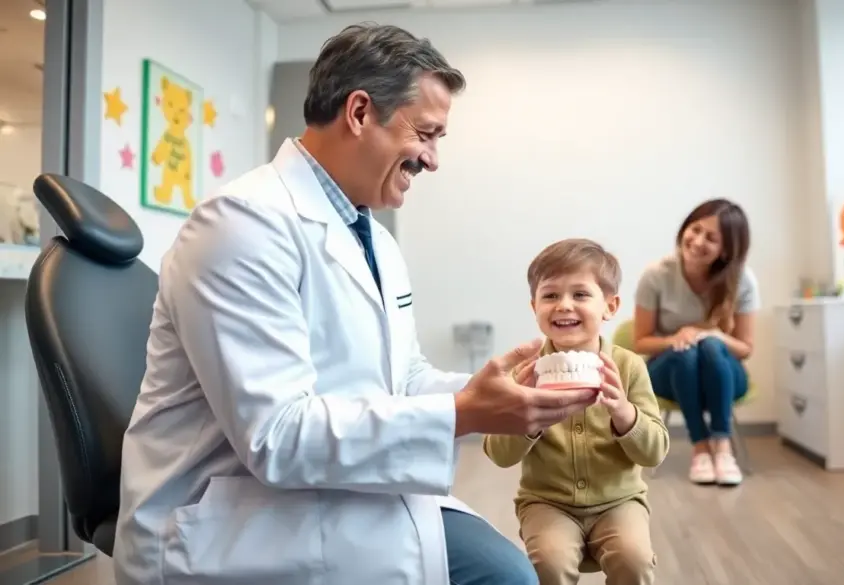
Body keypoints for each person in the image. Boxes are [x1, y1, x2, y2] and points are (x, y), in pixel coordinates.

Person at [112, 23, 600, 585]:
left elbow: (403, 375)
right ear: (361, 112)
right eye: (427, 133)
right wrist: (465, 412)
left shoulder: (372, 237)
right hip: (232, 519)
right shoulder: (241, 225)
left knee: (505, 567)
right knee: (506, 577)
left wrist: (498, 391)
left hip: (324, 497)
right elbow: (278, 435)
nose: (434, 159)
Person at [483, 239, 669, 585]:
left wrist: (624, 413)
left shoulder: (628, 368)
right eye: (550, 295)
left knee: (635, 560)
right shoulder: (525, 371)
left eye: (580, 295)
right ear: (534, 305)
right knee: (548, 564)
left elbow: (655, 451)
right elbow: (499, 455)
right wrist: (527, 414)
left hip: (620, 500)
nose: (563, 305)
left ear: (610, 306)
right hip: (547, 502)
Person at [632, 199, 758, 486]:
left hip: (723, 373)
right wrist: (675, 339)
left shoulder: (742, 280)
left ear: (726, 250)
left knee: (711, 347)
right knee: (685, 352)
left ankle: (722, 448)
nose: (697, 241)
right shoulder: (656, 275)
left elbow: (745, 349)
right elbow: (640, 342)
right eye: (696, 229)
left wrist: (714, 335)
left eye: (711, 238)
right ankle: (701, 449)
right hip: (670, 371)